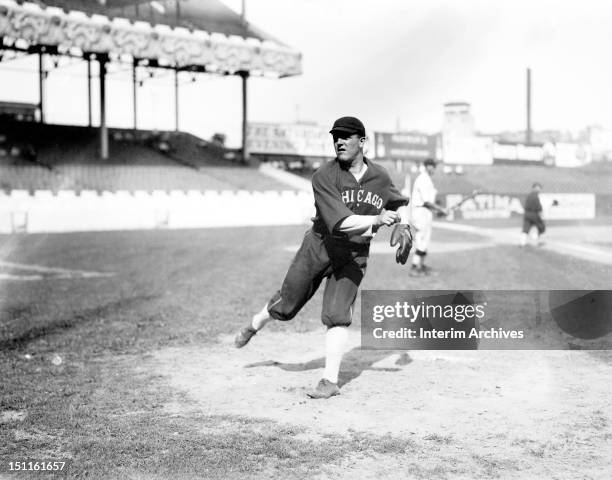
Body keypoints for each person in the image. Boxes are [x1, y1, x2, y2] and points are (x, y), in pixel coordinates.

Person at [234, 116, 411, 399]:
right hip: (320, 245)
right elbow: (339, 222)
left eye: (346, 137)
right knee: (287, 305)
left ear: (362, 141)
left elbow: (400, 203)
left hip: (353, 255)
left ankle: (329, 381)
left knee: (338, 314)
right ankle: (255, 323)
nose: (339, 141)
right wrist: (377, 220)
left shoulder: (381, 177)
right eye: (335, 137)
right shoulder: (324, 176)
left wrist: (403, 224)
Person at [409, 158, 448, 275]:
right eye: (432, 165)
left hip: (425, 212)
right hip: (420, 212)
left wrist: (437, 212)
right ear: (427, 166)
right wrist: (440, 209)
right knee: (421, 239)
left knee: (425, 239)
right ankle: (415, 267)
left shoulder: (427, 179)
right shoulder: (423, 179)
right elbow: (426, 202)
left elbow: (429, 202)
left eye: (434, 166)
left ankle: (421, 265)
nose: (434, 168)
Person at [520, 182, 545, 247]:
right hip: (533, 214)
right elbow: (538, 207)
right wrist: (540, 213)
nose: (539, 190)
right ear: (534, 188)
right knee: (541, 227)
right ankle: (536, 241)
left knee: (526, 228)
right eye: (538, 188)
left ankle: (522, 243)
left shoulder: (529, 196)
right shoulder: (535, 196)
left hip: (527, 214)